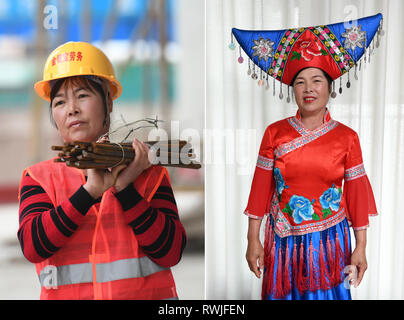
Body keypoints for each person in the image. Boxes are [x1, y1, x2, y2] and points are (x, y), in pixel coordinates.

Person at [17, 41, 186, 300]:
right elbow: (33, 246)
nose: (71, 108)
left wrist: (125, 189)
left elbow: (171, 252)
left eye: (83, 96)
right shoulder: (39, 178)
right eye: (60, 101)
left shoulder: (149, 174)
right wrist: (89, 192)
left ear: (108, 101)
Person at [231, 13, 383, 299]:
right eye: (300, 82)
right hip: (283, 240)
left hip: (330, 241)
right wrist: (252, 239)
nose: (309, 89)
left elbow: (357, 194)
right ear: (292, 90)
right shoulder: (275, 134)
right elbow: (261, 189)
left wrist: (360, 246)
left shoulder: (347, 137)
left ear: (330, 86)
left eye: (316, 80)